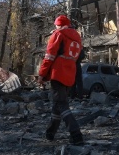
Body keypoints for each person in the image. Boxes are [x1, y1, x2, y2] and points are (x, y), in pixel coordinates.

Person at [37, 15, 84, 145]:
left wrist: (41, 75)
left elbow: (49, 57)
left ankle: (76, 134)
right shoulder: (77, 36)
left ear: (58, 25)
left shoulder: (58, 34)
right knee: (58, 104)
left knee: (61, 104)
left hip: (58, 74)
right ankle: (50, 133)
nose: (55, 28)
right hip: (70, 74)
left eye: (56, 26)